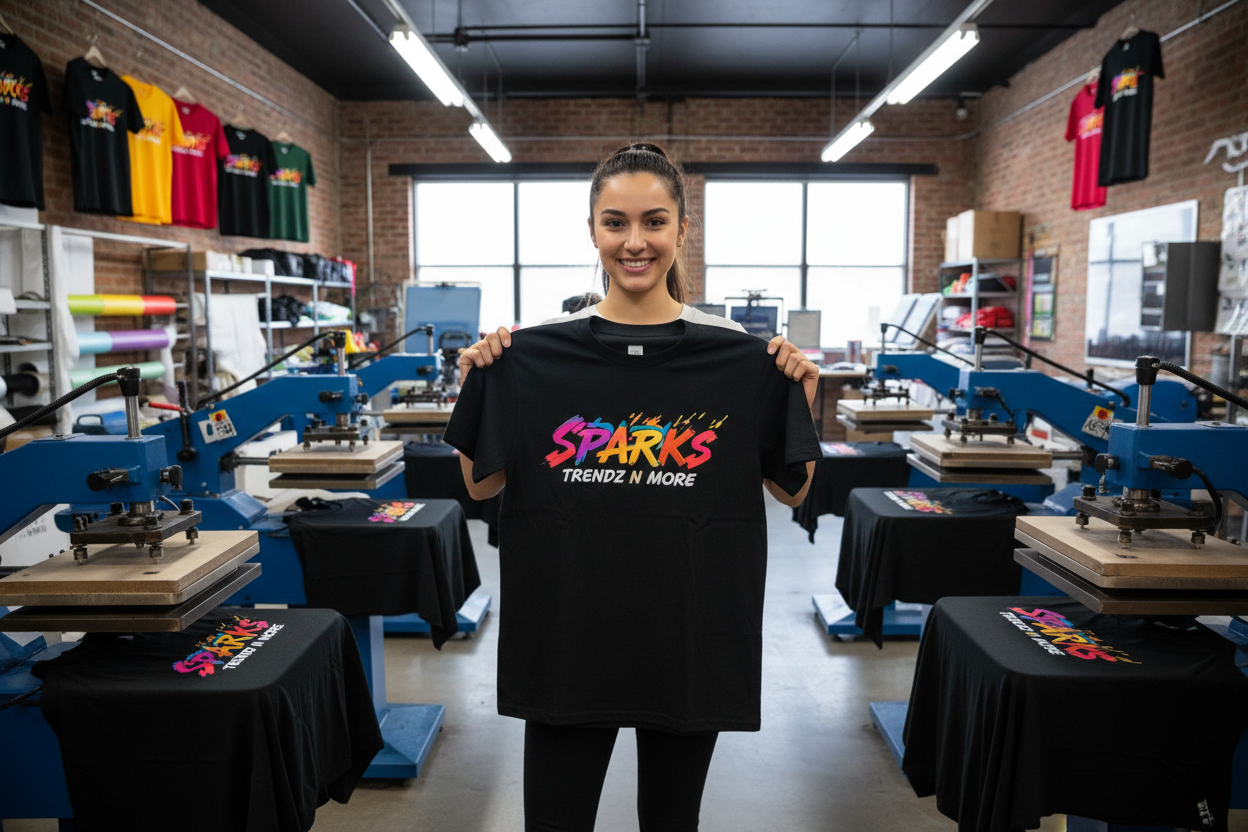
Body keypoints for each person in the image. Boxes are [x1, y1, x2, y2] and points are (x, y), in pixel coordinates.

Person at [442, 142, 822, 832]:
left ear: (683, 229)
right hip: (568, 639)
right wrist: (480, 383)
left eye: (654, 221)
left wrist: (800, 392)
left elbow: (792, 492)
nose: (635, 241)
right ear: (592, 230)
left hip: (686, 638)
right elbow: (482, 482)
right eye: (615, 222)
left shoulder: (740, 354)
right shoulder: (532, 352)